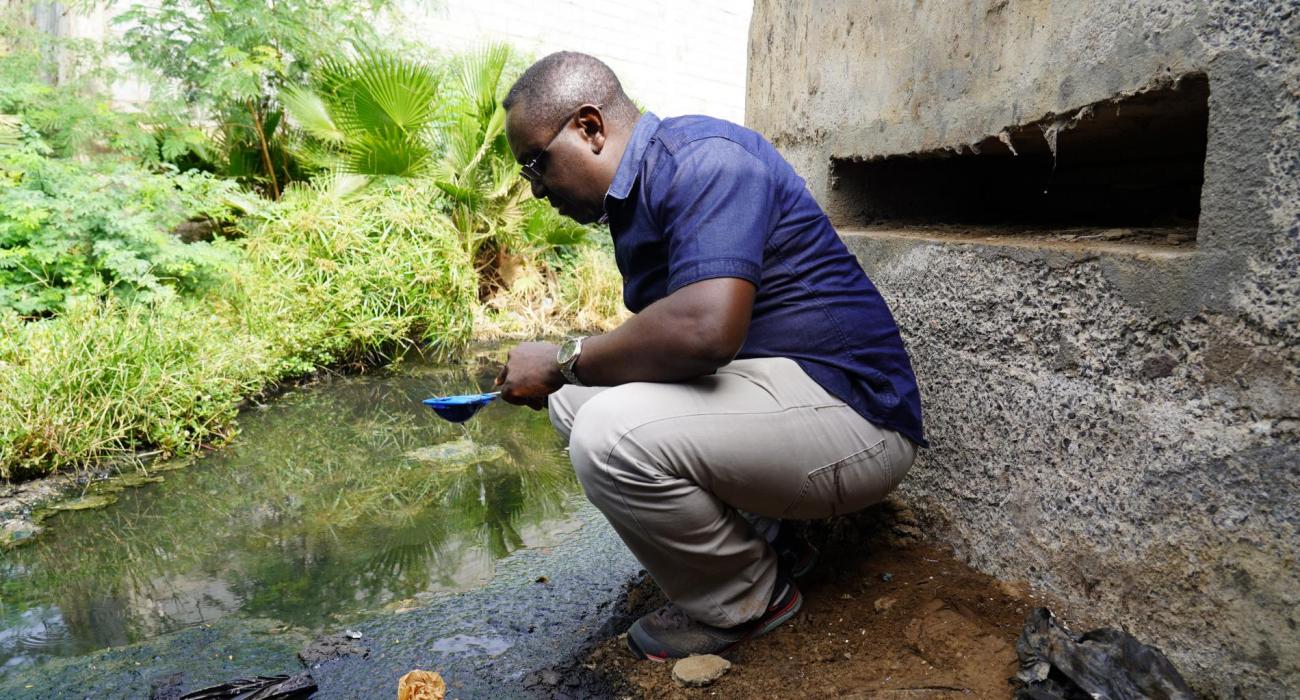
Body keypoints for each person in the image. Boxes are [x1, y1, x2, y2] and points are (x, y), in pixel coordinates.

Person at [495, 52, 926, 661]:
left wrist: (565, 356)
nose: (536, 189)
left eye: (536, 164)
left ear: (589, 128)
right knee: (575, 401)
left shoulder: (704, 160)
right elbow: (669, 339)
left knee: (607, 434)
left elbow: (704, 333)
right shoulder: (640, 192)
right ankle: (770, 542)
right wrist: (568, 372)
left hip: (859, 421)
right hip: (786, 400)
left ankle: (747, 598)